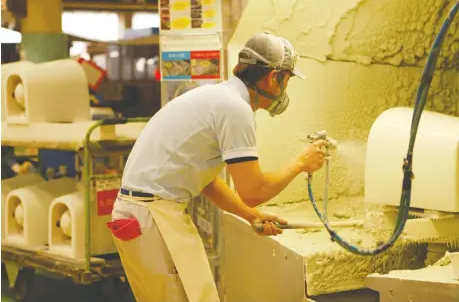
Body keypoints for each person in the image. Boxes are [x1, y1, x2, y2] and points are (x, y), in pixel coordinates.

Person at [108, 32, 328, 302]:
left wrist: (250, 216)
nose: (285, 89)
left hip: (145, 210)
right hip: (152, 215)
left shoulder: (218, 98)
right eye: (287, 79)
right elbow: (254, 190)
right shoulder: (235, 110)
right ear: (273, 77)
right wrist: (300, 163)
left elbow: (206, 181)